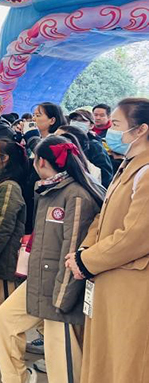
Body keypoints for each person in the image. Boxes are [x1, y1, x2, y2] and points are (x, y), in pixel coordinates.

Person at [0, 135, 104, 383]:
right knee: (6, 318)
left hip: (62, 288)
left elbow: (73, 247)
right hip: (40, 280)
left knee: (61, 360)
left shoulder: (76, 195)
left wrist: (63, 298)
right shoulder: (47, 190)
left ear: (41, 161)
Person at [65, 98, 149, 383]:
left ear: (141, 130)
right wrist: (84, 251)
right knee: (105, 355)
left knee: (127, 361)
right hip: (108, 275)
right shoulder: (129, 165)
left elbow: (135, 235)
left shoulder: (146, 171)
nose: (110, 130)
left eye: (116, 124)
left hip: (132, 283)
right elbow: (103, 217)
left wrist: (86, 260)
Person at [0, 139, 28, 367]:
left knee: (2, 305)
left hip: (2, 259)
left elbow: (2, 224)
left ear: (5, 158)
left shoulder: (10, 188)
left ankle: (2, 351)